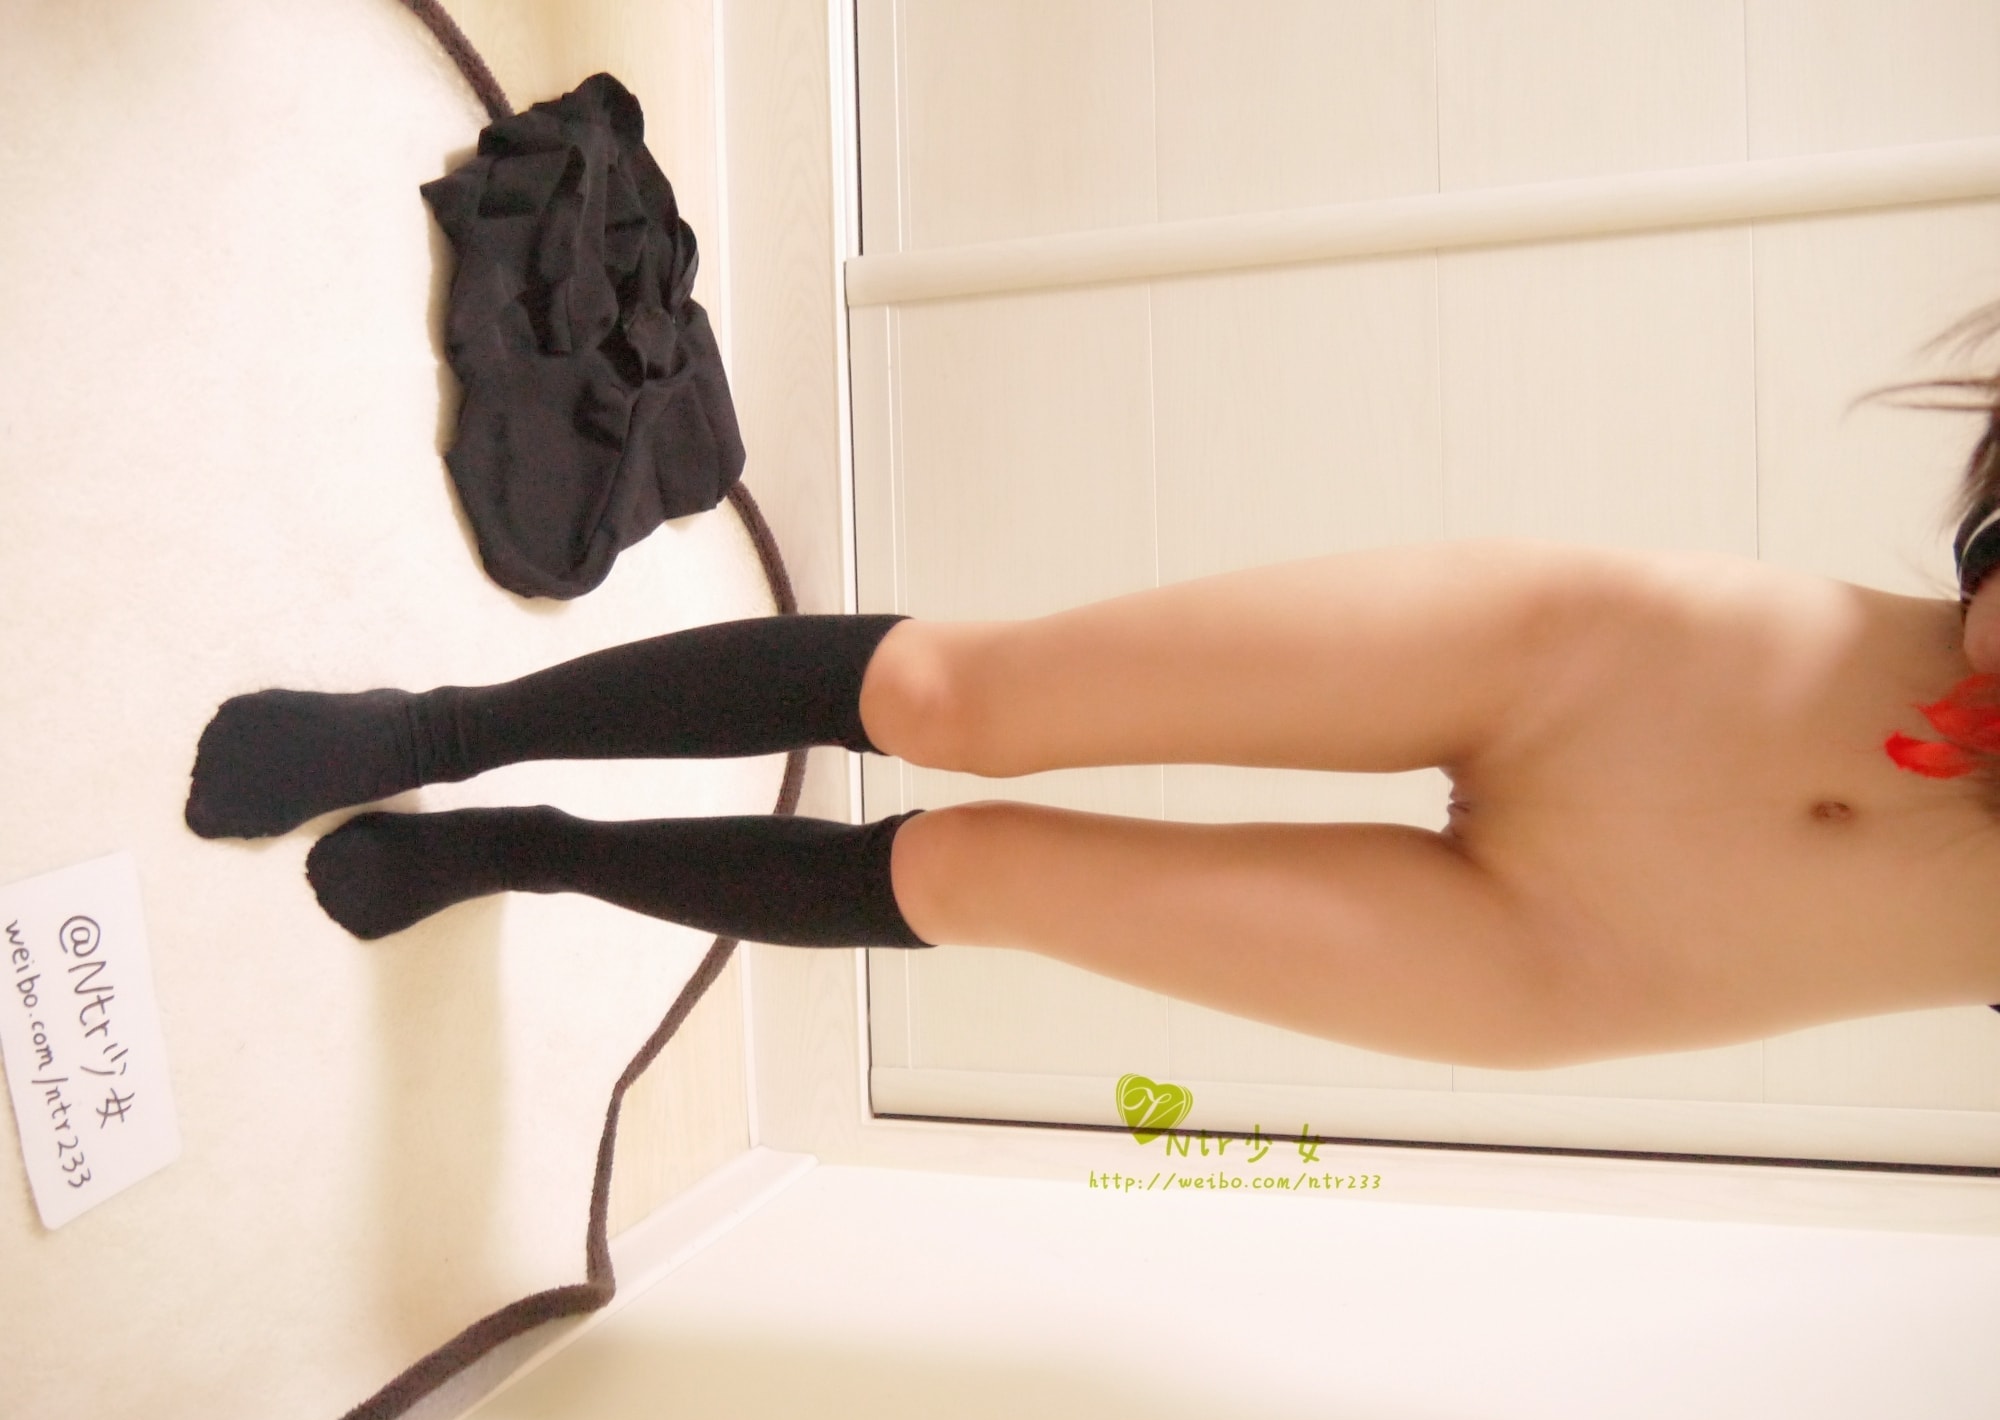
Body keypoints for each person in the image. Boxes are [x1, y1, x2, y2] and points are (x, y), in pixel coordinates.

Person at [183, 302, 2000, 1072]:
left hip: (1594, 963)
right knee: (959, 699)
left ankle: (529, 853)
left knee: (974, 875)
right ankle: (437, 730)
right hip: (1617, 677)